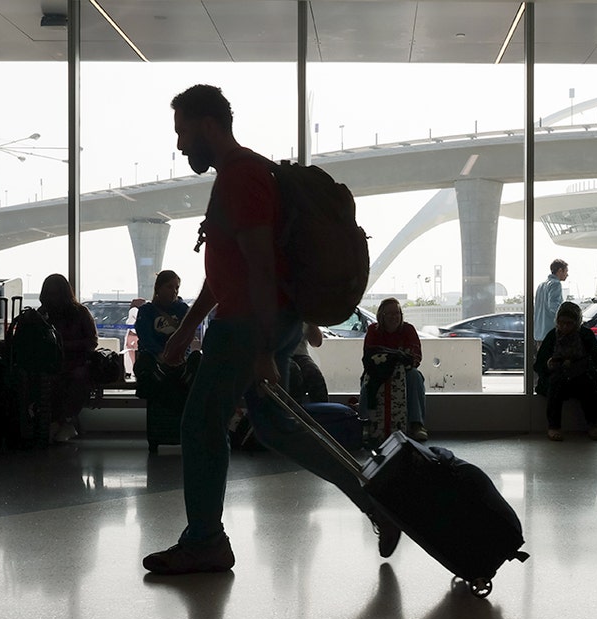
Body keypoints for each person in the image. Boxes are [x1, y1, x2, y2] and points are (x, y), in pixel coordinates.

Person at [143, 83, 401, 575]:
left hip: (247, 326)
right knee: (277, 425)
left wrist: (261, 347)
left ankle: (205, 541)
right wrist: (184, 332)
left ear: (209, 125)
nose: (179, 146)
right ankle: (377, 503)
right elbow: (227, 273)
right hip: (262, 321)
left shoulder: (242, 178)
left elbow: (259, 268)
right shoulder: (246, 174)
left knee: (200, 425)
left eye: (183, 133)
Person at [37, 273, 98, 443]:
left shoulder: (80, 312)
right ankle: (62, 423)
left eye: (55, 294)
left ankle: (60, 423)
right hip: (53, 363)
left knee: (77, 378)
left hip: (75, 362)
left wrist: (64, 346)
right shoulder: (41, 314)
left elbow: (91, 342)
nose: (52, 298)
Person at [533, 302, 597, 441]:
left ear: (577, 323)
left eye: (569, 323)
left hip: (581, 377)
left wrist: (578, 365)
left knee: (587, 385)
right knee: (556, 382)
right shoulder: (552, 336)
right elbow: (539, 364)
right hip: (557, 379)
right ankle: (554, 426)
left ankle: (592, 424)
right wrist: (549, 364)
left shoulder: (585, 335)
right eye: (561, 323)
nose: (564, 327)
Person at [362, 297, 428, 442]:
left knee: (415, 377)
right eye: (390, 314)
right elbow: (368, 355)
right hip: (378, 370)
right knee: (368, 379)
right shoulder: (373, 330)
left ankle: (416, 424)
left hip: (404, 371)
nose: (394, 317)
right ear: (382, 316)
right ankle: (365, 422)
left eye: (397, 313)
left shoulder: (408, 330)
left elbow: (416, 356)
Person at [134, 270, 190, 377]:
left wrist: (181, 355)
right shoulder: (147, 311)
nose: (174, 291)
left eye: (176, 288)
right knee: (146, 362)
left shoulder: (183, 310)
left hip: (177, 358)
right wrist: (160, 354)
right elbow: (146, 338)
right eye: (169, 287)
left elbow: (187, 337)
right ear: (158, 288)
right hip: (154, 359)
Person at [289, 322, 329, 404]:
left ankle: (322, 412)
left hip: (300, 354)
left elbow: (316, 343)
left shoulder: (305, 314)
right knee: (294, 373)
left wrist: (312, 322)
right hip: (278, 354)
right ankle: (294, 411)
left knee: (314, 374)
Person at [534, 259, 568, 350]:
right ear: (560, 270)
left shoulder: (541, 286)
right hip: (551, 331)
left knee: (542, 360)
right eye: (566, 271)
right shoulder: (555, 284)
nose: (567, 275)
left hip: (539, 333)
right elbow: (554, 306)